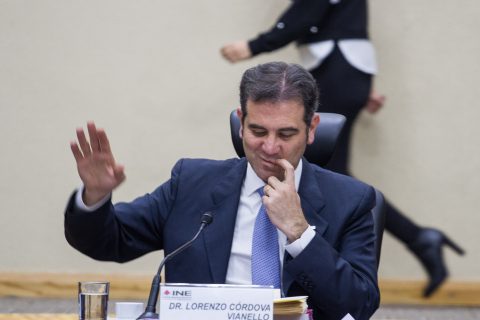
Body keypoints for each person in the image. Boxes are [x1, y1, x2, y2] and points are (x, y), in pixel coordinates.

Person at [65, 62, 379, 320]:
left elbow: (359, 305)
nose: (270, 147)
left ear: (311, 129)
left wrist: (299, 231)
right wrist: (94, 196)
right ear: (241, 123)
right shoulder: (192, 182)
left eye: (286, 133)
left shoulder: (351, 201)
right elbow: (109, 241)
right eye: (258, 131)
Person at [220, 0, 464, 297]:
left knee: (324, 176)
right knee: (330, 173)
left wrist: (254, 45)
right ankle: (419, 238)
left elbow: (310, 9)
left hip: (336, 67)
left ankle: (407, 243)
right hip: (340, 69)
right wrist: (357, 82)